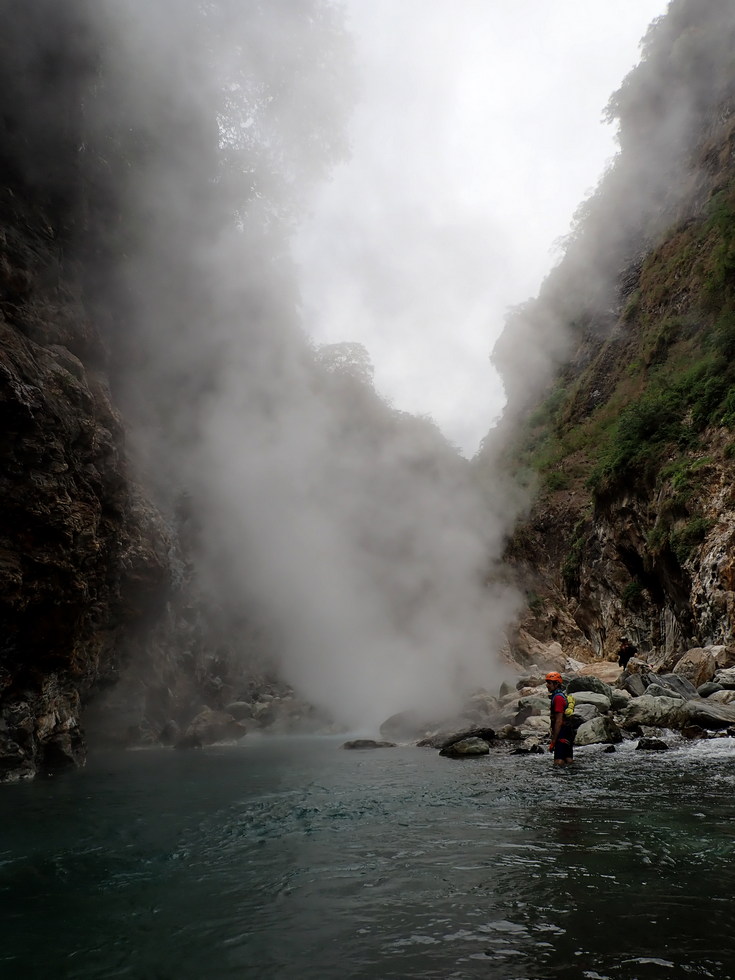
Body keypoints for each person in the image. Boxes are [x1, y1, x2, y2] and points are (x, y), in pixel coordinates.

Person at [546, 671, 574, 765]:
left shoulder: (557, 698)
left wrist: (553, 742)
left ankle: (560, 779)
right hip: (568, 731)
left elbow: (558, 720)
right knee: (568, 759)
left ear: (556, 684)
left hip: (562, 732)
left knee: (558, 762)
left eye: (549, 683)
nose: (547, 685)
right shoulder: (560, 695)